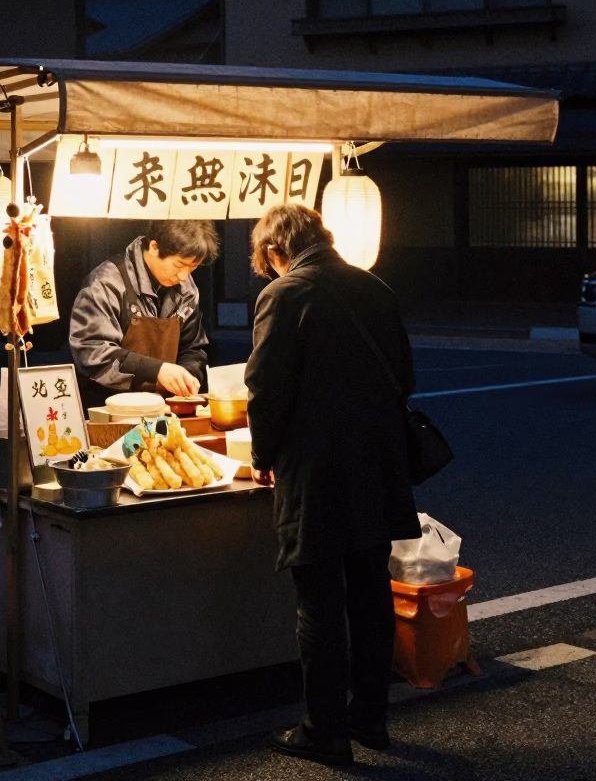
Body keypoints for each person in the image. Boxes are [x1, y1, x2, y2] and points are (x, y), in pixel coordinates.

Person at [244, 203, 420, 768]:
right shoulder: (376, 289)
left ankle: (325, 730)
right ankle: (372, 718)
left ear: (276, 251)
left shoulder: (284, 294)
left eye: (267, 263)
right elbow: (406, 377)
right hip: (377, 465)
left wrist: (262, 455)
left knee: (318, 599)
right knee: (370, 592)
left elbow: (266, 390)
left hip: (317, 472)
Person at [69, 220, 219, 410]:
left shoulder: (186, 288)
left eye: (193, 267)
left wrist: (187, 375)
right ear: (155, 247)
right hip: (106, 409)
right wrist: (156, 371)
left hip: (163, 410)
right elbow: (92, 350)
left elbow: (193, 347)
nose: (183, 276)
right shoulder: (107, 282)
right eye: (179, 265)